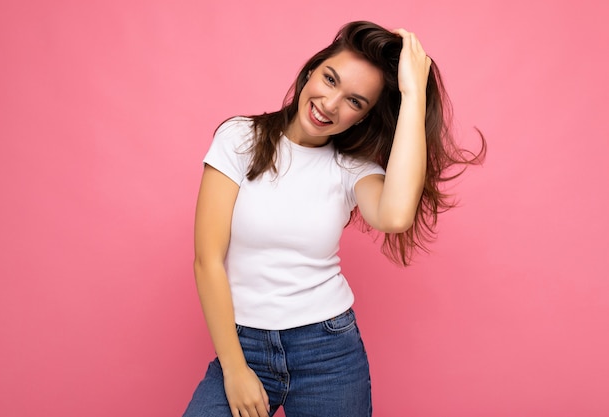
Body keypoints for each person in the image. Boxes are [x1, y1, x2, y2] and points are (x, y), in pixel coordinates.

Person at [183, 21, 485, 417]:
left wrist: (412, 95)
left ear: (363, 117)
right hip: (243, 346)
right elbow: (208, 261)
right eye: (329, 79)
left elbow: (395, 216)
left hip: (328, 353)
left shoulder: (351, 168)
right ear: (312, 70)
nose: (330, 103)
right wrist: (235, 369)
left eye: (354, 102)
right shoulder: (240, 138)